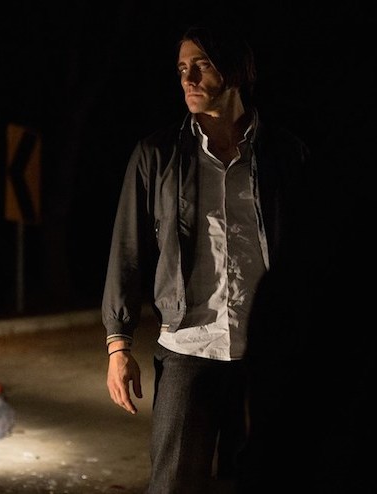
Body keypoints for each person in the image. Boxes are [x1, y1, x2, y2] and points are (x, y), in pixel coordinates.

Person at [101, 23, 309, 493]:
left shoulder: (285, 154)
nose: (188, 79)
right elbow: (127, 250)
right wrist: (119, 346)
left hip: (267, 352)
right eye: (182, 69)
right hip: (188, 347)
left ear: (234, 70)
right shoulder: (156, 155)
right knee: (173, 483)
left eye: (202, 65)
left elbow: (310, 256)